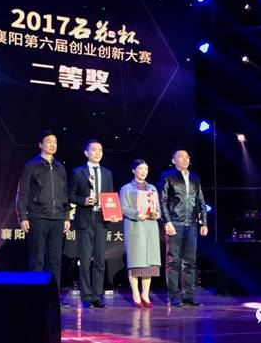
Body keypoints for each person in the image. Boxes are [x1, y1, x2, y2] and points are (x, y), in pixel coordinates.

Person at [16, 130, 70, 307]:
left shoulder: (60, 167)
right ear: (40, 145)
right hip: (37, 217)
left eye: (55, 142)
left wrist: (66, 216)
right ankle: (35, 299)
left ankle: (53, 299)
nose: (53, 145)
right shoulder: (31, 165)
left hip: (57, 219)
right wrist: (23, 216)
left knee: (55, 261)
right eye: (49, 141)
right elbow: (22, 193)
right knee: (37, 260)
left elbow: (64, 194)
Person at [158, 149, 208, 307]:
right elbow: (163, 201)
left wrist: (204, 223)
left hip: (191, 224)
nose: (185, 159)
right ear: (174, 160)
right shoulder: (167, 176)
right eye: (181, 157)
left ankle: (188, 297)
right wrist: (167, 222)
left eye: (187, 157)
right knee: (173, 261)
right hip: (175, 223)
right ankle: (174, 297)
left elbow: (201, 200)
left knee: (190, 262)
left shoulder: (195, 178)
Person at [69, 139, 115, 308]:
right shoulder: (78, 172)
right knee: (85, 260)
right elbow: (70, 194)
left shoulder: (107, 173)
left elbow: (110, 197)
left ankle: (97, 296)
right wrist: (83, 200)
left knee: (100, 260)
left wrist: (112, 212)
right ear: (86, 153)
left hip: (101, 219)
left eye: (100, 150)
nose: (97, 153)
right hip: (85, 219)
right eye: (94, 150)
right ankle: (86, 296)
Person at [119, 159, 161, 308]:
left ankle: (145, 294)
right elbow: (123, 208)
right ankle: (136, 294)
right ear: (133, 170)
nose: (143, 172)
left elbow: (157, 207)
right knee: (135, 262)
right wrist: (137, 214)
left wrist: (157, 214)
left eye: (146, 169)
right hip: (135, 226)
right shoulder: (126, 188)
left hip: (150, 227)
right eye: (140, 168)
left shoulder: (152, 188)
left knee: (149, 264)